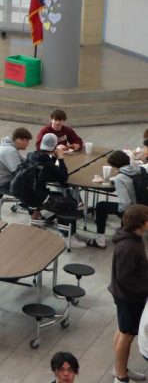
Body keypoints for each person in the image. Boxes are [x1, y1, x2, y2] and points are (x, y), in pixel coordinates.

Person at [108, 204, 148, 383]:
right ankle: (121, 376)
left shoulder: (134, 239)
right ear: (141, 224)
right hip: (128, 298)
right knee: (127, 334)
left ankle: (120, 367)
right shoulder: (129, 246)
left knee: (122, 330)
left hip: (126, 296)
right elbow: (125, 278)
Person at [86, 151, 141, 249]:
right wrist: (111, 180)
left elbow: (125, 203)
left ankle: (100, 240)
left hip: (132, 210)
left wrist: (119, 212)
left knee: (101, 206)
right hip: (142, 205)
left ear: (115, 166)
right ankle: (124, 231)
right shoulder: (137, 168)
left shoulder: (120, 179)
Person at [16, 132, 69, 224]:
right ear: (55, 146)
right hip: (35, 196)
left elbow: (45, 167)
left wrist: (53, 157)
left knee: (42, 190)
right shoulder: (47, 164)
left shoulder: (31, 155)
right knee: (65, 200)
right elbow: (63, 177)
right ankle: (65, 232)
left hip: (23, 192)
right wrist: (60, 158)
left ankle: (35, 217)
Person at [0, 127, 33, 194]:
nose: (28, 144)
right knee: (32, 189)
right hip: (0, 184)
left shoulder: (10, 146)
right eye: (27, 141)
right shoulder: (10, 151)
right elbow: (18, 171)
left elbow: (24, 159)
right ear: (19, 140)